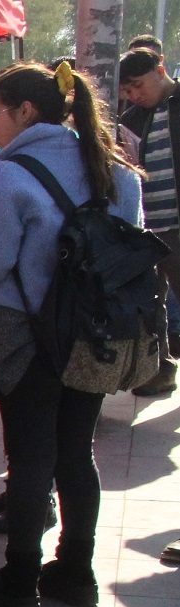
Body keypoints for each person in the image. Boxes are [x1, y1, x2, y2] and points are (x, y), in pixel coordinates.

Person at [0, 60, 144, 607]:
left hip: (30, 333)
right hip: (94, 334)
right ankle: (76, 572)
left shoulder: (8, 173)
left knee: (31, 453)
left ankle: (19, 579)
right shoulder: (116, 170)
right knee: (76, 454)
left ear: (25, 111)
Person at [117, 46, 180, 397]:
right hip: (146, 228)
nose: (134, 95)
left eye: (138, 85)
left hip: (176, 225)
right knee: (151, 302)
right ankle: (160, 369)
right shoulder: (131, 120)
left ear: (160, 69)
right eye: (128, 90)